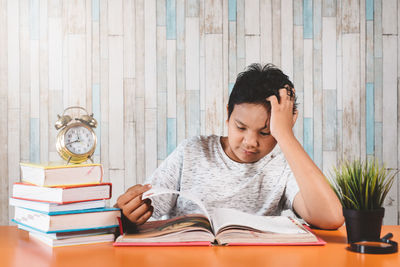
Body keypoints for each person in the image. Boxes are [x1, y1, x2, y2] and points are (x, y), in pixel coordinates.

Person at [115, 63, 344, 230]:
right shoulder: (193, 151)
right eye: (240, 127)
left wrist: (285, 135)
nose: (250, 142)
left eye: (265, 132)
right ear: (227, 114)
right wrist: (127, 212)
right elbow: (143, 209)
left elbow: (331, 218)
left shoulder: (284, 165)